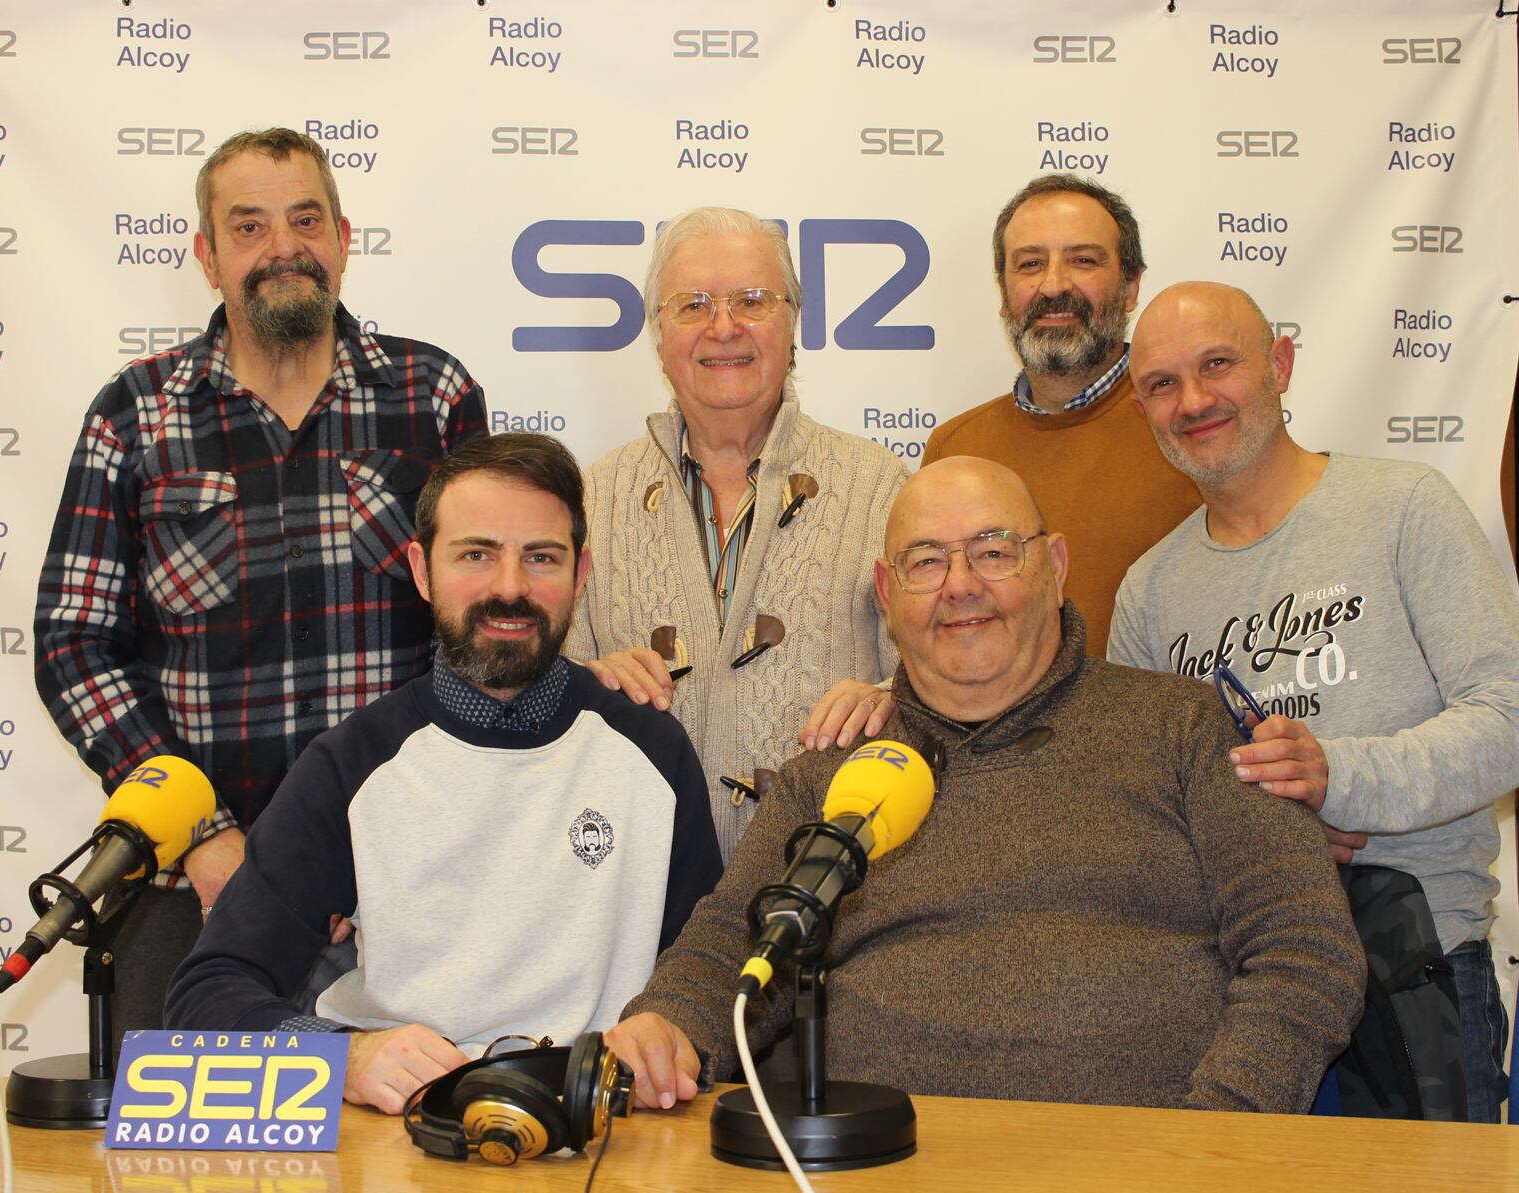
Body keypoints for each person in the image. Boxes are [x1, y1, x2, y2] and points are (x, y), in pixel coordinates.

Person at [608, 457, 1365, 1113]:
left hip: (1147, 1180)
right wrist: (666, 1026)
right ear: (885, 590)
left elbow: (1304, 953)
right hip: (876, 1185)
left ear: (1057, 565)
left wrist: (1215, 1137)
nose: (960, 586)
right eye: (926, 561)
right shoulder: (833, 777)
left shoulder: (1187, 726)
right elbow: (727, 950)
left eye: (994, 551)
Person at [33, 127, 488, 1052]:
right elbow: (73, 645)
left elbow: (486, 634)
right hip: (194, 893)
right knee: (189, 1178)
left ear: (344, 238)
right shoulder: (134, 416)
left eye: (304, 219)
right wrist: (204, 836)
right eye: (248, 226)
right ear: (208, 257)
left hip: (407, 890)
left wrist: (392, 847)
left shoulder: (432, 394)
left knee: (421, 1175)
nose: (283, 247)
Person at [166, 434, 723, 1114]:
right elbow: (207, 994)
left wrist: (678, 1030)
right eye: (476, 555)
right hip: (399, 1147)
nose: (510, 588)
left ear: (580, 575)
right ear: (423, 571)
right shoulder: (352, 765)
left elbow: (713, 978)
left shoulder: (652, 751)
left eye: (540, 558)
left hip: (604, 1149)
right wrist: (342, 1058)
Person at [1109, 281, 1519, 1122]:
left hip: (1417, 961)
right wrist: (1276, 825)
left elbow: (1517, 720)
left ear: (1279, 366)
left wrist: (1338, 776)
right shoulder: (1150, 592)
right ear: (1143, 415)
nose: (1193, 401)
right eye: (1162, 384)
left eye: (1217, 365)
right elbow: (1151, 810)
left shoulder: (1402, 508)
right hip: (1247, 987)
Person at [566, 206, 910, 861]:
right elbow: (542, 697)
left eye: (753, 301)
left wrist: (887, 698)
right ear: (659, 335)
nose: (723, 328)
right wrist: (586, 681)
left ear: (794, 323)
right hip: (646, 904)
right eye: (693, 305)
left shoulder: (881, 487)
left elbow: (940, 686)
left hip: (831, 895)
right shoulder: (594, 497)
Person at [923, 176, 1198, 656]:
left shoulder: (1190, 423)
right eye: (1030, 264)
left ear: (1131, 286)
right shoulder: (955, 451)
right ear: (1004, 291)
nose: (1053, 286)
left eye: (1083, 261)